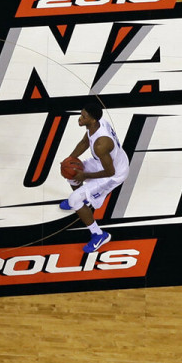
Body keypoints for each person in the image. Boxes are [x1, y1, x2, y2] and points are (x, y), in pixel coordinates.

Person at [59, 102, 130, 253]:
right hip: (104, 162)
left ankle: (99, 235)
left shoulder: (100, 144)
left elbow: (109, 172)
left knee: (73, 199)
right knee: (70, 173)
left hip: (114, 174)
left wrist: (84, 175)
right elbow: (85, 142)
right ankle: (83, 199)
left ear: (92, 120)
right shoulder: (97, 124)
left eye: (83, 117)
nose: (80, 118)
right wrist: (70, 159)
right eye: (81, 114)